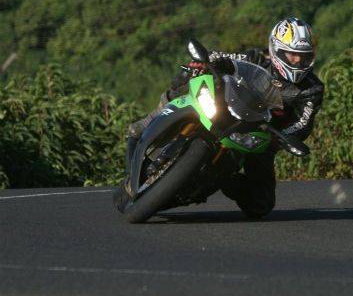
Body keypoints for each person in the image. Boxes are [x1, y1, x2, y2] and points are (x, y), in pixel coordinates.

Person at [127, 17, 324, 218]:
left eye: (304, 56)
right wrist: (206, 61)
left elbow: (303, 123)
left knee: (261, 203)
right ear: (277, 50)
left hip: (261, 133)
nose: (298, 61)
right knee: (187, 75)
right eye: (292, 55)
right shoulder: (256, 58)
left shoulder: (312, 89)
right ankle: (153, 118)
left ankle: (225, 178)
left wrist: (280, 137)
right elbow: (220, 56)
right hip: (227, 107)